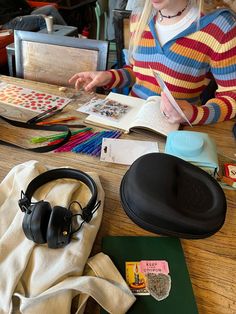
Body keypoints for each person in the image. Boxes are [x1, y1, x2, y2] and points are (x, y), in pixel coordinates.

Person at [69, 0, 236, 126]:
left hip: (178, 131)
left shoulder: (221, 27)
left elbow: (231, 96)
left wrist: (195, 114)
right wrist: (109, 76)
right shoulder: (140, 17)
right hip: (132, 123)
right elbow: (138, 71)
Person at [0, 0, 67, 32]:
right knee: (43, 18)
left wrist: (32, 9)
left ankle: (69, 32)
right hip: (11, 20)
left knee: (51, 8)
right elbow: (8, 15)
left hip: (26, 13)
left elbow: (25, 5)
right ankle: (56, 42)